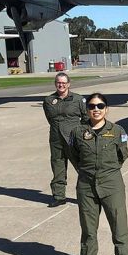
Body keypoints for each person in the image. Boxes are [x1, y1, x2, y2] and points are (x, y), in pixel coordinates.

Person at [67, 93, 128, 255]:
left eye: (100, 106)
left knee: (119, 226)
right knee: (88, 228)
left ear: (106, 109)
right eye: (92, 106)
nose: (96, 109)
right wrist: (87, 171)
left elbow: (122, 155)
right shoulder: (77, 132)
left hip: (112, 184)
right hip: (86, 186)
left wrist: (107, 172)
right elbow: (73, 155)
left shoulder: (118, 131)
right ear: (87, 110)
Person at [42, 72, 87, 207]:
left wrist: (82, 135)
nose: (61, 85)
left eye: (63, 83)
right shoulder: (48, 100)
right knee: (58, 167)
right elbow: (50, 119)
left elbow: (85, 119)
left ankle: (86, 196)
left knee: (82, 168)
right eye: (58, 82)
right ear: (55, 84)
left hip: (73, 139)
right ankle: (59, 196)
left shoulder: (78, 99)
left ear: (68, 84)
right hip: (56, 140)